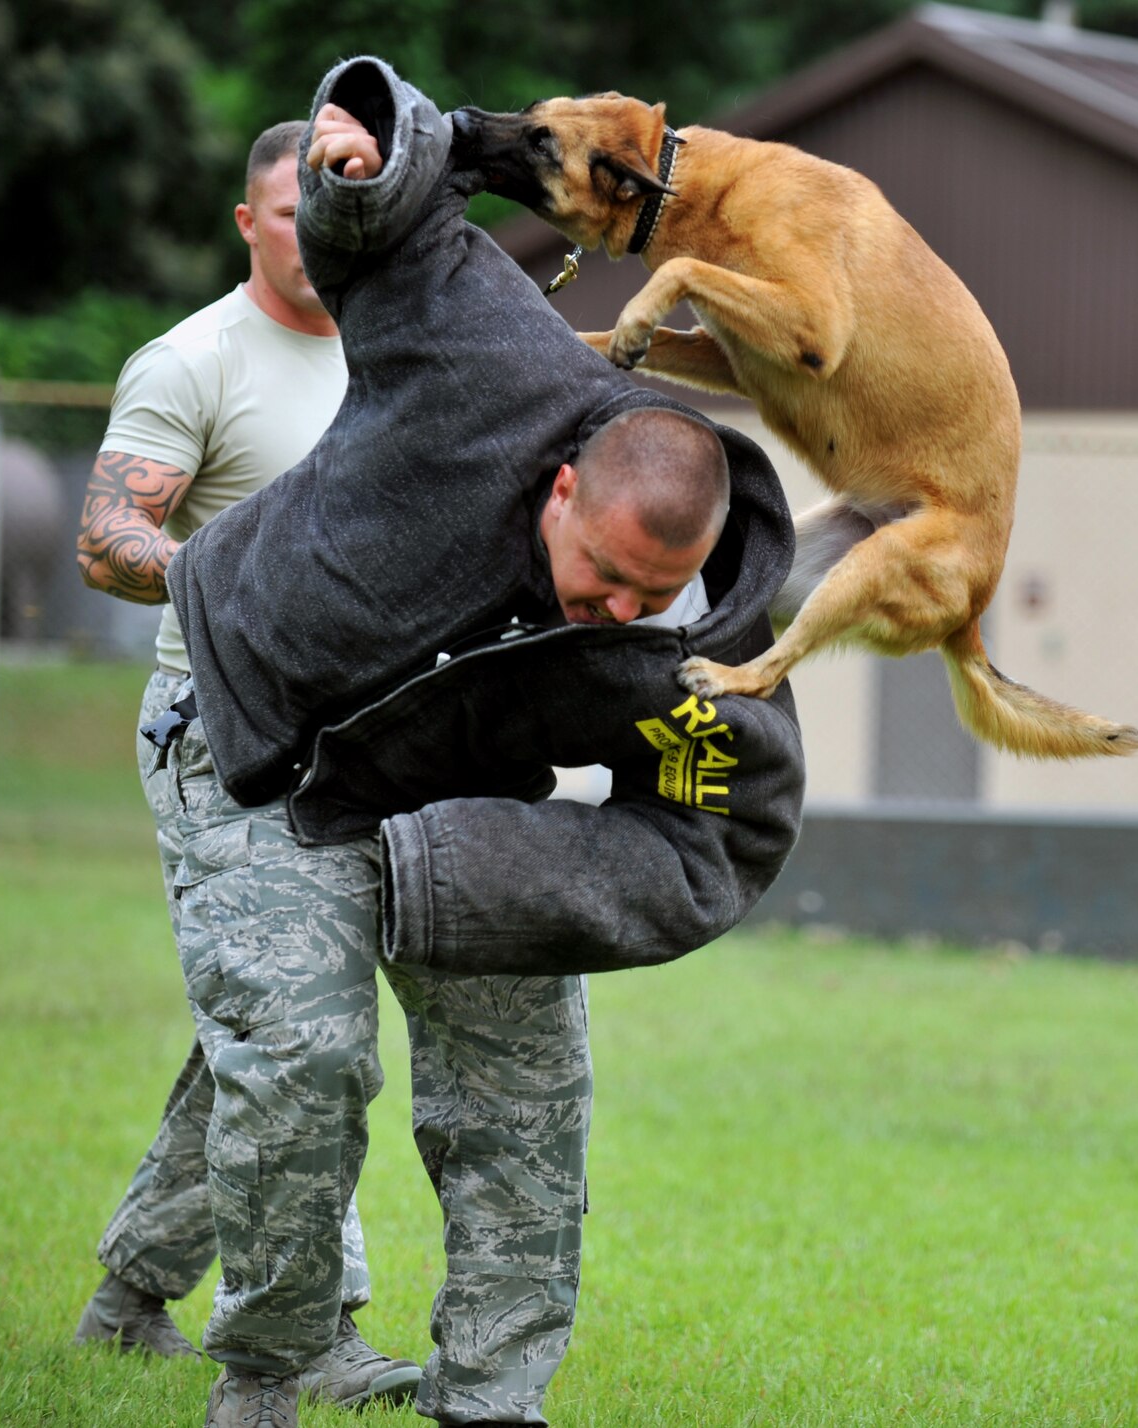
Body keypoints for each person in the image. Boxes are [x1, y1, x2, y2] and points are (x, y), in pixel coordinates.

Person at [149, 56, 807, 1428]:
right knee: (301, 1057)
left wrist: (500, 873)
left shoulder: (702, 655)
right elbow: (394, 228)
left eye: (643, 599)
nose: (613, 611)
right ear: (564, 480)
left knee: (528, 1096)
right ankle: (268, 1375)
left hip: (452, 815)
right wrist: (363, 157)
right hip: (250, 731)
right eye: (601, 575)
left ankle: (493, 1400)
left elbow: (714, 833)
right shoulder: (490, 366)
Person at [72, 119, 421, 1407]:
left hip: (373, 750)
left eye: (341, 209)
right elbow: (107, 536)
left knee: (264, 1028)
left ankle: (127, 1297)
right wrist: (233, 581)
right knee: (305, 1032)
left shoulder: (405, 345)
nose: (319, 234)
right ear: (247, 222)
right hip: (221, 741)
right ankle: (311, 1331)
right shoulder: (196, 359)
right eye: (292, 214)